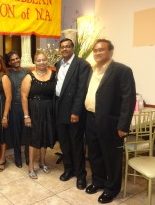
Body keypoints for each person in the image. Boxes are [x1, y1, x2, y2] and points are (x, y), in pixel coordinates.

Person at [84, 39, 136, 204]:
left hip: (111, 123)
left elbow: (129, 100)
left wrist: (123, 125)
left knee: (111, 157)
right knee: (94, 154)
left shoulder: (122, 70)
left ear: (110, 52)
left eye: (101, 50)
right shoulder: (91, 71)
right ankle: (98, 181)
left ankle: (112, 189)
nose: (97, 53)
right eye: (95, 50)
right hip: (90, 118)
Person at [55, 38, 91, 190]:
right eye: (62, 47)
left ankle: (81, 175)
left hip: (73, 111)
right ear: (59, 49)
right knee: (64, 143)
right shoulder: (58, 64)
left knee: (76, 144)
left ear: (73, 48)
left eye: (68, 46)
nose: (65, 49)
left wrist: (76, 111)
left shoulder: (82, 64)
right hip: (59, 109)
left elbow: (82, 90)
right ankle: (69, 169)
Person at [21, 51, 56, 179]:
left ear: (47, 60)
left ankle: (42, 161)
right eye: (38, 60)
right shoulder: (29, 76)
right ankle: (31, 166)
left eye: (43, 60)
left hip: (49, 110)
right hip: (34, 110)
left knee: (45, 136)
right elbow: (24, 97)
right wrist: (26, 116)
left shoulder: (53, 74)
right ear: (34, 62)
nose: (41, 62)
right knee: (34, 138)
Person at [7, 51, 30, 168]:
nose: (16, 61)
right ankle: (17, 157)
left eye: (17, 58)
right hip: (14, 107)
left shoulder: (27, 71)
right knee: (16, 134)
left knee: (27, 132)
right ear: (9, 62)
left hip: (27, 107)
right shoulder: (8, 73)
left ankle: (27, 156)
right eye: (13, 60)